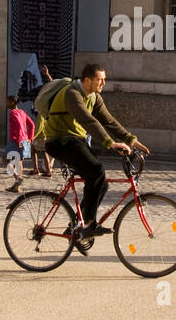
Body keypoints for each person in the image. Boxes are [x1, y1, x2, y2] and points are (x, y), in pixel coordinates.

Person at [42, 63, 150, 254]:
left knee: (102, 183)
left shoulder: (94, 97)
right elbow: (88, 120)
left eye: (104, 79)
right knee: (96, 171)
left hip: (76, 139)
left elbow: (108, 120)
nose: (103, 83)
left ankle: (76, 226)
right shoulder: (72, 94)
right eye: (99, 79)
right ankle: (90, 223)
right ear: (87, 80)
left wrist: (130, 139)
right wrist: (111, 143)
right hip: (59, 140)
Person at [4, 95, 36, 193]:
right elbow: (32, 124)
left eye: (7, 102)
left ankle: (17, 177)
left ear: (12, 102)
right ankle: (17, 187)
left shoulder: (12, 113)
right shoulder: (22, 112)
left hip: (16, 141)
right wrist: (30, 138)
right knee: (19, 162)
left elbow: (18, 126)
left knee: (5, 160)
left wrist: (18, 140)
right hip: (25, 141)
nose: (6, 103)